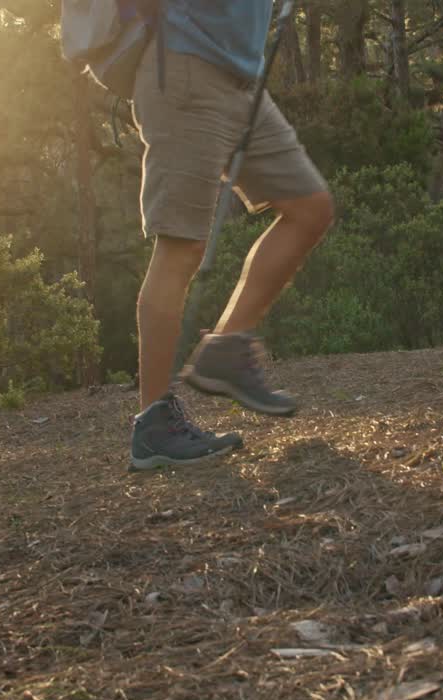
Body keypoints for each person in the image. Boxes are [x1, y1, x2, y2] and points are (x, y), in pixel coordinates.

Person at [127, 0, 335, 471]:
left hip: (243, 83)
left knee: (310, 208)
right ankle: (153, 426)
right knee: (181, 246)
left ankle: (225, 346)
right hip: (186, 68)